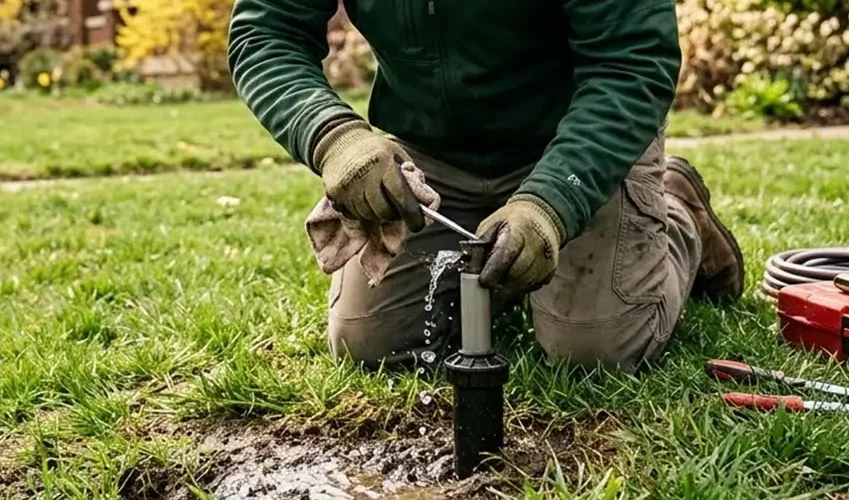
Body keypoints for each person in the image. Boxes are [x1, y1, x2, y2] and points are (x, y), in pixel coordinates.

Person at [227, 0, 745, 373]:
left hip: (573, 138)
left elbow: (631, 63)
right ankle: (500, 253)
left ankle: (678, 213)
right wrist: (333, 137)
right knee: (369, 342)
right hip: (432, 150)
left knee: (593, 348)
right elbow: (266, 33)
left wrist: (552, 203)